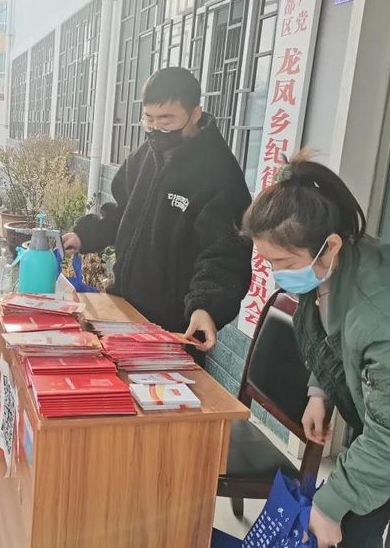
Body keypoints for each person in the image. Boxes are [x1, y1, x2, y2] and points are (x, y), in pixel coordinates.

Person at [241, 153, 390, 547]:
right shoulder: (334, 268)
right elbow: (337, 337)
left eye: (283, 262)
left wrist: (329, 506)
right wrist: (319, 392)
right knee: (355, 529)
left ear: (330, 246)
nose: (277, 273)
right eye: (269, 262)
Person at [63, 67, 252, 360]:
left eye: (166, 121)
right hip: (122, 308)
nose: (156, 129)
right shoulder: (145, 156)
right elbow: (122, 210)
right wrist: (85, 235)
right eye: (149, 119)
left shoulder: (220, 175)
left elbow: (225, 254)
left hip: (173, 328)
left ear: (195, 114)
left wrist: (206, 307)